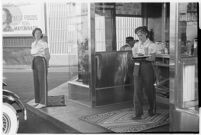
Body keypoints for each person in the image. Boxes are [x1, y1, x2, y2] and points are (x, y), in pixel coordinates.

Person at [132, 26, 156, 120]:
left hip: (147, 67)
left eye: (141, 35)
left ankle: (151, 110)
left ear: (146, 34)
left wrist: (143, 57)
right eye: (138, 35)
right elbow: (134, 56)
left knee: (149, 89)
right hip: (137, 66)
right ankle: (138, 113)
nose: (139, 37)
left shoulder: (151, 45)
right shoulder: (136, 45)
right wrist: (135, 57)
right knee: (137, 91)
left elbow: (152, 58)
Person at [31, 28, 50, 109]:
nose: (37, 34)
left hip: (41, 61)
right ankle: (37, 101)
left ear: (41, 34)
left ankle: (43, 102)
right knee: (36, 81)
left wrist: (47, 63)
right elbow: (33, 54)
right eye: (36, 33)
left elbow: (47, 54)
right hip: (35, 61)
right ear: (33, 34)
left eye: (39, 33)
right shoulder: (33, 43)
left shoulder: (44, 43)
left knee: (42, 82)